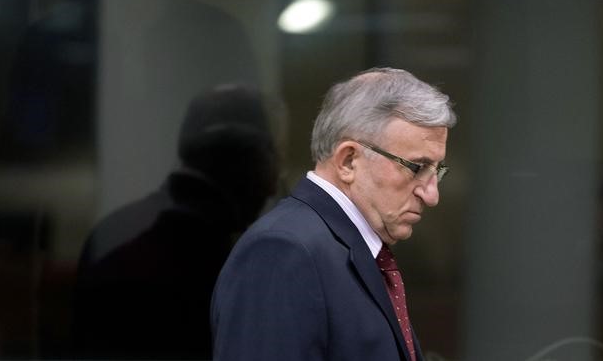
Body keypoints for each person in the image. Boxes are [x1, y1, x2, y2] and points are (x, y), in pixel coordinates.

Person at [211, 67, 457, 361]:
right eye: (417, 168)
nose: (431, 195)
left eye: (436, 171)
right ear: (349, 161)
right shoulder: (282, 251)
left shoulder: (349, 249)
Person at [72, 84, 279, 360]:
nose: (272, 187)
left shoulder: (112, 231)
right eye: (270, 159)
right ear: (248, 161)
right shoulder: (216, 258)